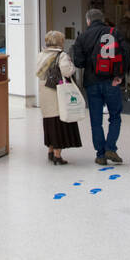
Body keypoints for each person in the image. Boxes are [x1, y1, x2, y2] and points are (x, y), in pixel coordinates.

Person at [71, 9, 130, 166]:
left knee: (96, 121)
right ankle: (111, 147)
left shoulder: (83, 37)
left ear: (88, 21)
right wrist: (120, 76)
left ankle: (100, 154)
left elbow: (78, 62)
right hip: (112, 81)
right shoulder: (114, 32)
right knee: (115, 116)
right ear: (103, 19)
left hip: (92, 83)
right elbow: (125, 54)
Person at [36, 30, 81, 165]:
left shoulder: (41, 54)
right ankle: (57, 155)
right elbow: (67, 71)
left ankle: (50, 151)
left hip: (45, 91)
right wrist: (73, 67)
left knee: (49, 121)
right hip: (57, 92)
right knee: (58, 123)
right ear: (60, 42)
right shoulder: (61, 55)